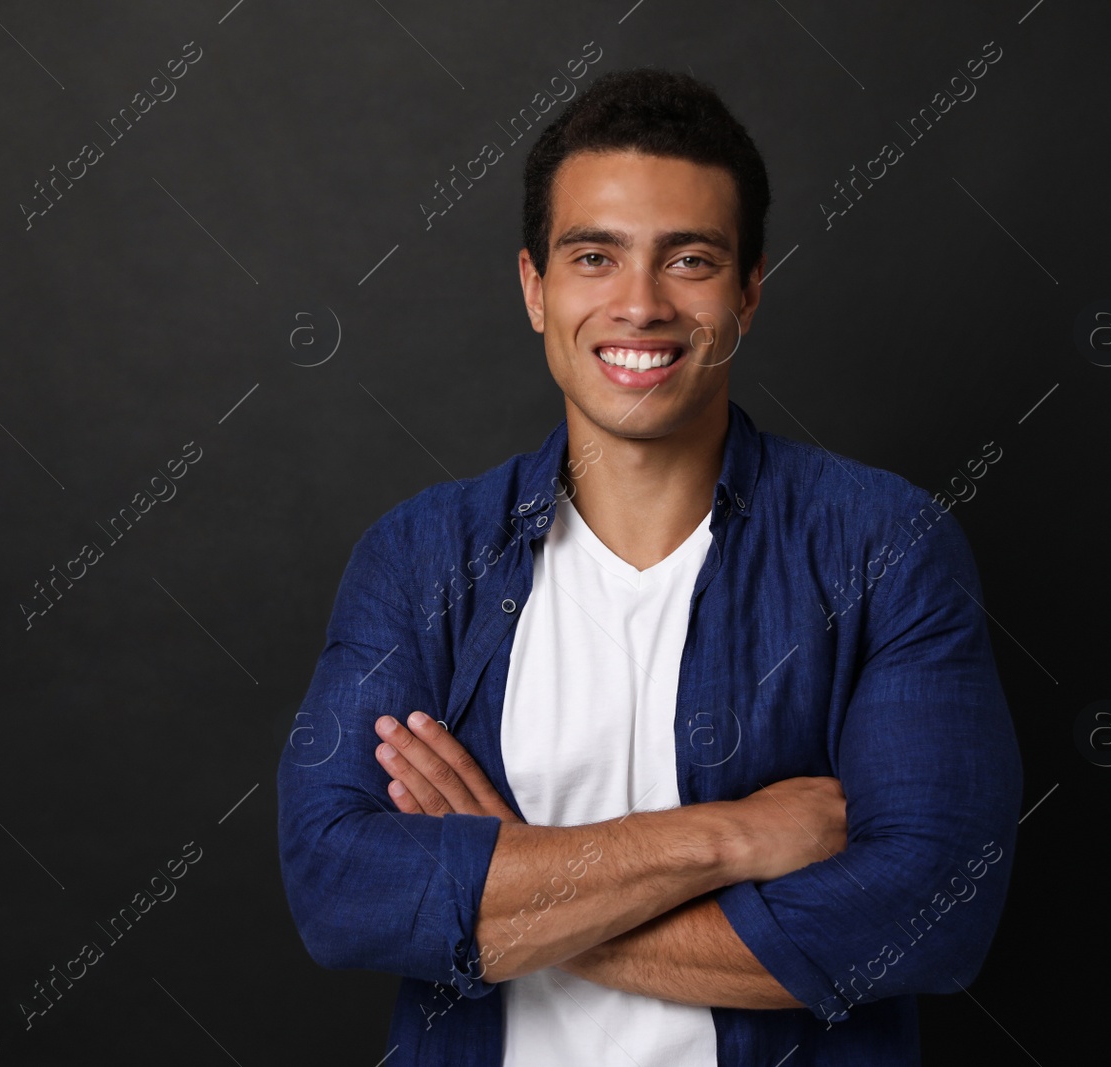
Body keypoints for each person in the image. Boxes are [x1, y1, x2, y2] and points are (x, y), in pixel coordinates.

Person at [276, 67, 1022, 1066]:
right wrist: (723, 839)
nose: (639, 304)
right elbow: (339, 892)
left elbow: (931, 913)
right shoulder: (419, 557)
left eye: (690, 260)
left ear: (749, 288)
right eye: (594, 256)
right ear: (535, 288)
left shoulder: (884, 547)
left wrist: (509, 887)